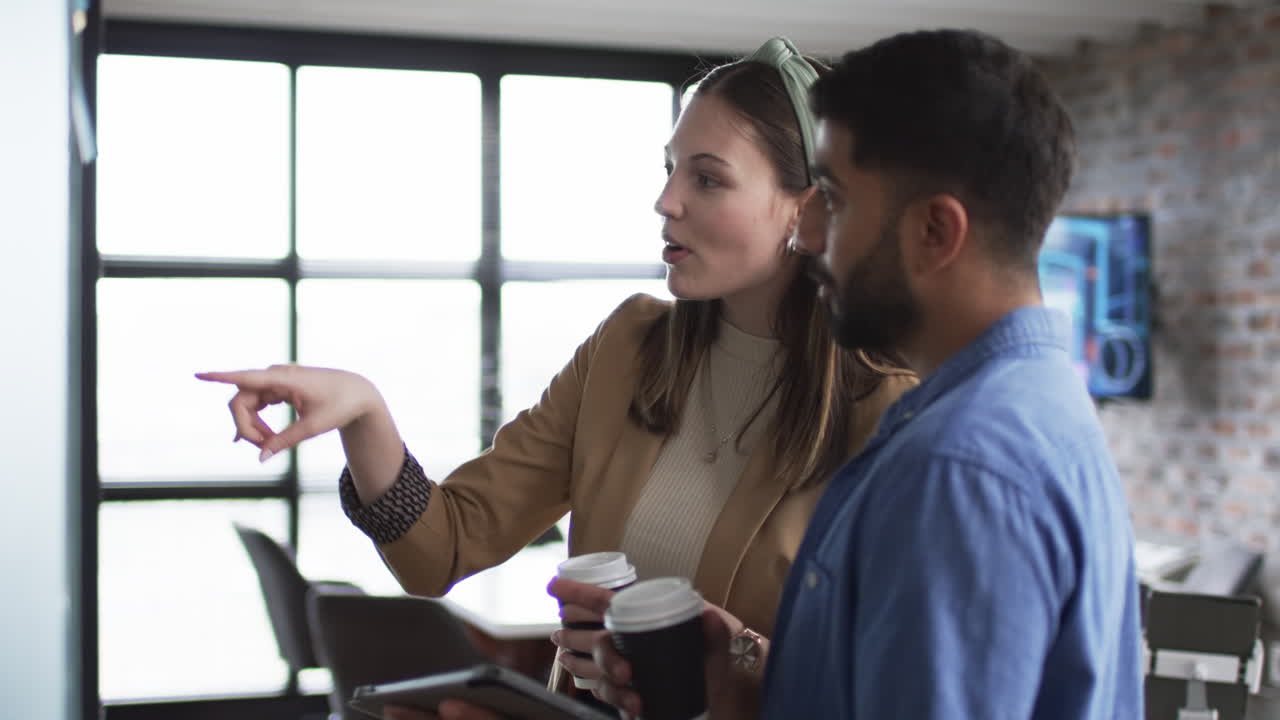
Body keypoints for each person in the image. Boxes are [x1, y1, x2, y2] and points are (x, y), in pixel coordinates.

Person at [197, 35, 915, 704]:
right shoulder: (630, 347)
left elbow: (886, 682)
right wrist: (364, 411)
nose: (666, 202)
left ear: (806, 207)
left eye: (708, 179)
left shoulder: (888, 412)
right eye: (670, 170)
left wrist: (739, 656)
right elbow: (441, 548)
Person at [587, 28, 1145, 720]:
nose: (807, 233)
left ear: (935, 233)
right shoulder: (1039, 404)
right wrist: (752, 685)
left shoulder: (958, 468)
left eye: (835, 199)